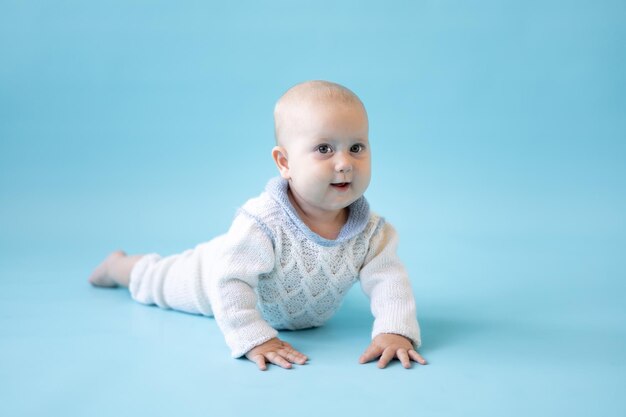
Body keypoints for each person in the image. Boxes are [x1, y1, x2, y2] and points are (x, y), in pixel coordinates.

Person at [89, 80, 427, 371]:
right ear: (285, 162)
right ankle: (117, 266)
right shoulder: (262, 222)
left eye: (357, 148)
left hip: (286, 309)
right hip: (211, 276)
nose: (344, 164)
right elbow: (230, 282)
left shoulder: (371, 231)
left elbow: (390, 282)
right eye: (324, 149)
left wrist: (395, 329)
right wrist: (255, 337)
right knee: (157, 278)